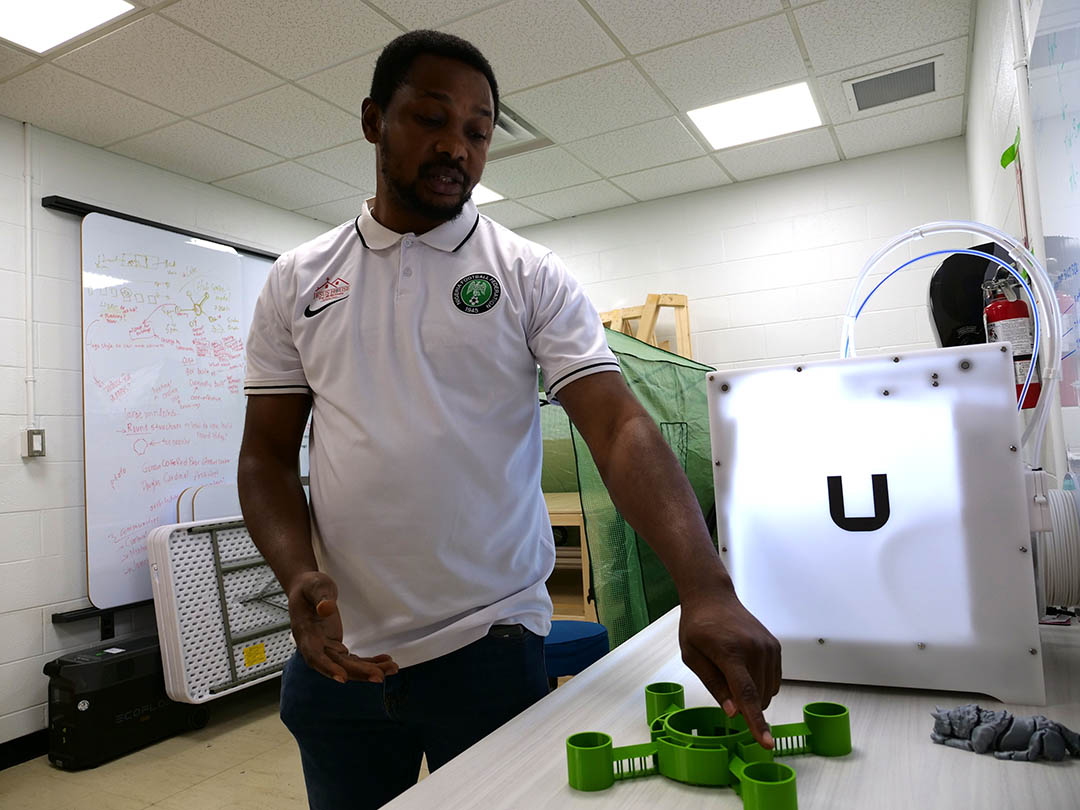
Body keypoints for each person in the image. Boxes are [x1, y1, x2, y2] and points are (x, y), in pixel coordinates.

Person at [238, 29, 780, 810]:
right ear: (372, 121)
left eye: (477, 131)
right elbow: (264, 458)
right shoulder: (299, 281)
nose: (456, 145)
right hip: (340, 658)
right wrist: (297, 577)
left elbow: (617, 425)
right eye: (431, 118)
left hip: (488, 649)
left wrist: (706, 586)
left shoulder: (526, 274)